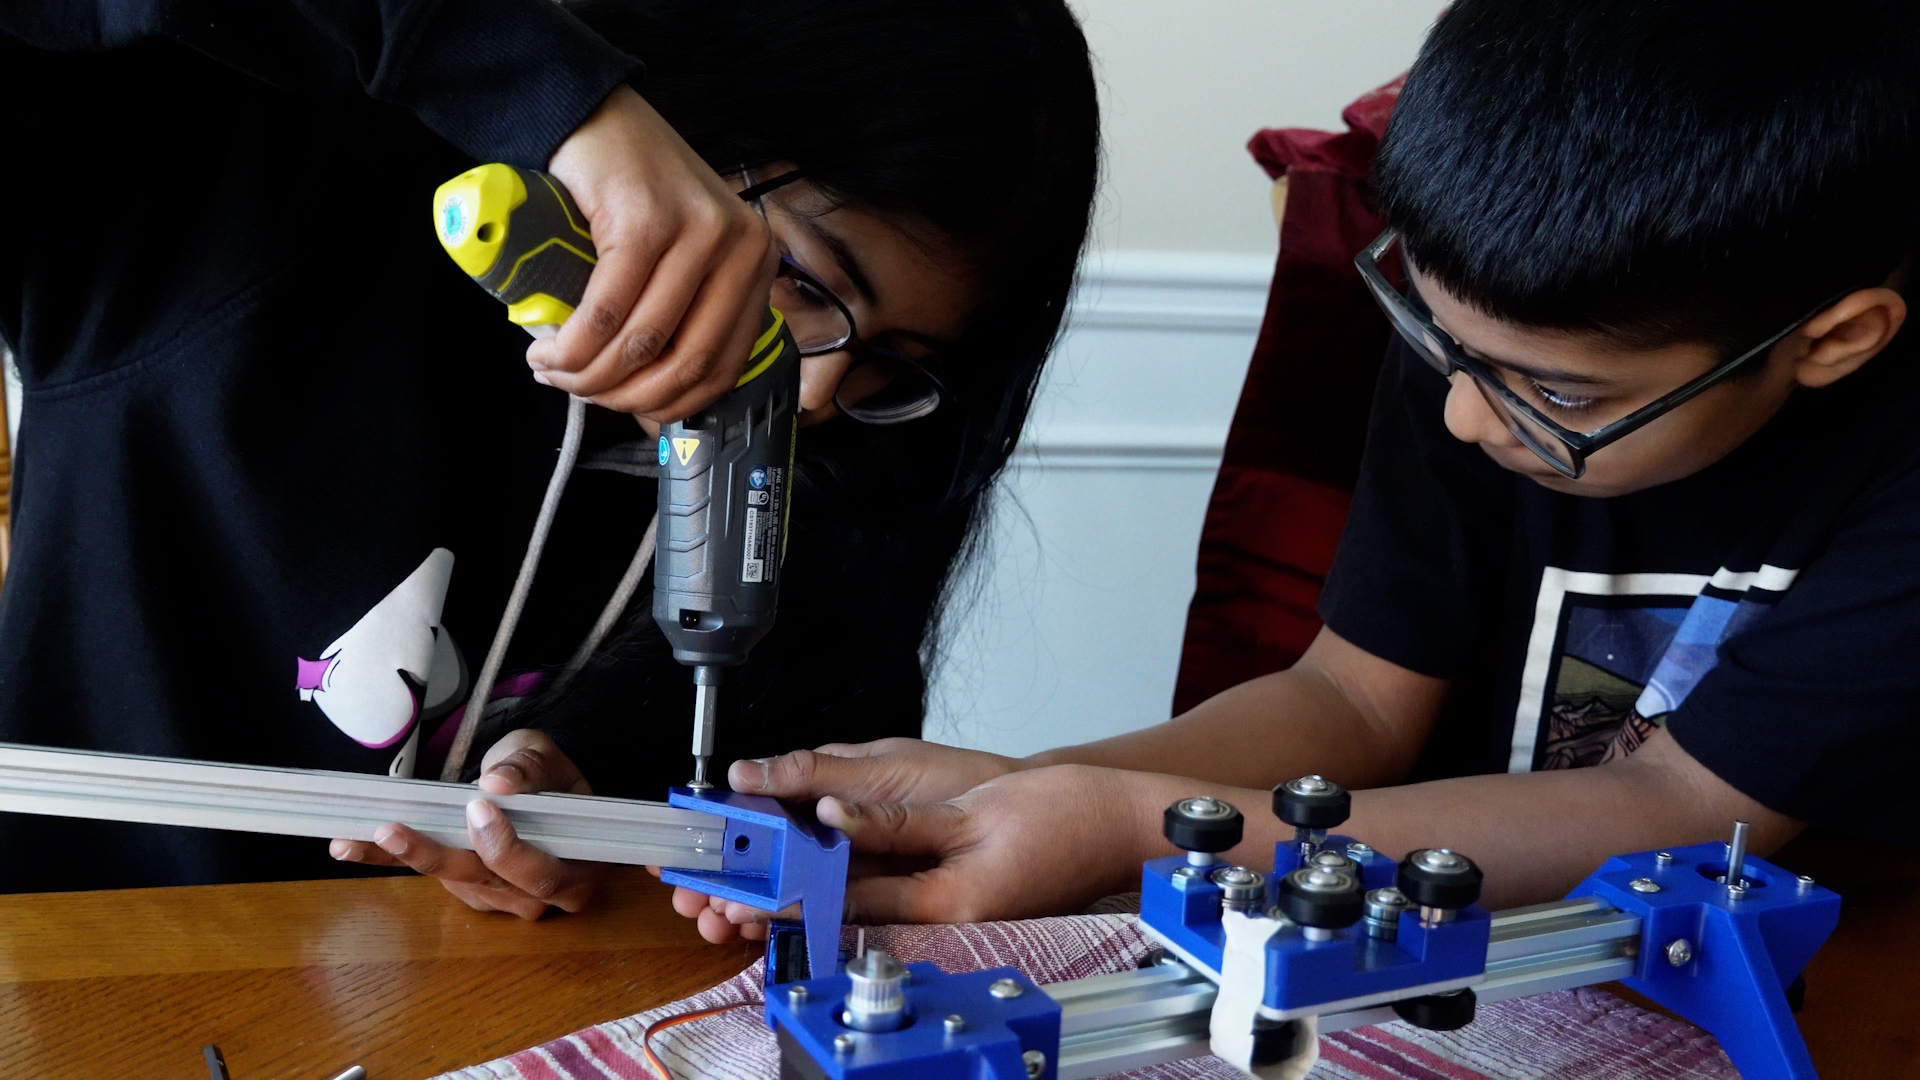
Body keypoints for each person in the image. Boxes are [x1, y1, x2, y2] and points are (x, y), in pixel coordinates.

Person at [669, 0, 1920, 946]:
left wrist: (1133, 827)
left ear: (1833, 339)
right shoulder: (1477, 347)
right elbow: (1357, 702)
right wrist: (1041, 790)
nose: (1469, 423)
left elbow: (1679, 808)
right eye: (1439, 343)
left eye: (1560, 397)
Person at [0, 0, 1097, 899]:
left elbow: (770, 834)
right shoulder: (234, 193)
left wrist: (597, 824)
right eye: (804, 286)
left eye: (893, 367)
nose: (816, 399)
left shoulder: (839, 491)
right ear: (683, 133)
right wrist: (560, 99)